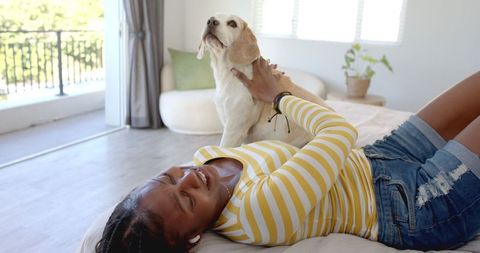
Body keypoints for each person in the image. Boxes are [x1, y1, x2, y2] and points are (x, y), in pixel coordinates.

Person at [95, 57, 480, 253]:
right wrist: (276, 95)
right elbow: (340, 131)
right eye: (186, 198)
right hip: (413, 206)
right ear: (195, 237)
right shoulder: (258, 211)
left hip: (377, 157)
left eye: (167, 177)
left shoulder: (206, 155)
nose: (189, 177)